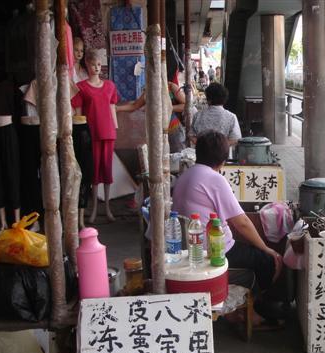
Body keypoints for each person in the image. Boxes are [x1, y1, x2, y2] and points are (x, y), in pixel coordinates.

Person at [172, 131, 283, 320]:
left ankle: (249, 307)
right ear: (224, 160)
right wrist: (267, 248)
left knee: (254, 252)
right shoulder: (214, 179)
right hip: (213, 250)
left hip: (191, 246)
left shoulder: (186, 174)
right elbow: (242, 223)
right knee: (269, 260)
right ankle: (255, 309)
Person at [71, 48, 119, 223]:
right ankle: (93, 210)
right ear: (87, 65)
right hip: (90, 134)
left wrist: (116, 127)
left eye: (99, 64)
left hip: (108, 132)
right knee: (93, 174)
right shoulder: (81, 87)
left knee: (106, 171)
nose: (97, 67)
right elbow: (78, 111)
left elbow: (112, 107)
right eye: (93, 64)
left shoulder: (110, 86)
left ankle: (107, 207)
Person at [116, 79, 196, 153]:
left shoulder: (171, 87)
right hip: (156, 129)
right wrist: (117, 108)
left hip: (173, 128)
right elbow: (134, 106)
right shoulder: (149, 91)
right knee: (159, 154)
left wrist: (167, 108)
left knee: (177, 153)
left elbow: (187, 105)